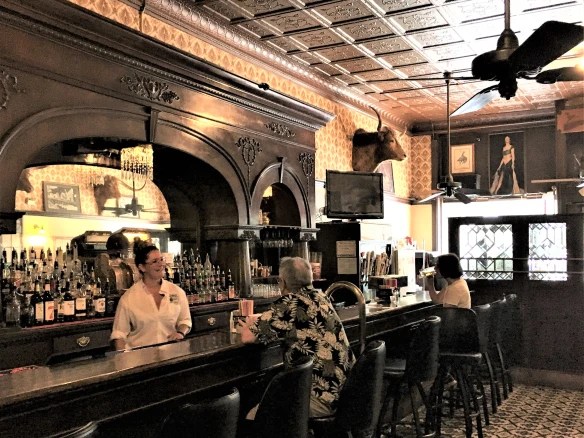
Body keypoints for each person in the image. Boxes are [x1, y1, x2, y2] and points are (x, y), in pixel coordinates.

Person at [238, 256, 356, 418]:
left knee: (254, 416)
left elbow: (247, 337)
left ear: (282, 282)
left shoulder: (290, 302)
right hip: (346, 393)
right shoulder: (322, 298)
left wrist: (247, 326)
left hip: (320, 399)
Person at [110, 239, 192, 350]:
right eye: (154, 261)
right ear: (142, 267)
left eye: (161, 259)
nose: (161, 264)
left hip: (171, 354)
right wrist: (122, 357)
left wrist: (180, 333)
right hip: (141, 356)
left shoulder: (176, 292)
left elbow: (185, 320)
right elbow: (119, 334)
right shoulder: (129, 298)